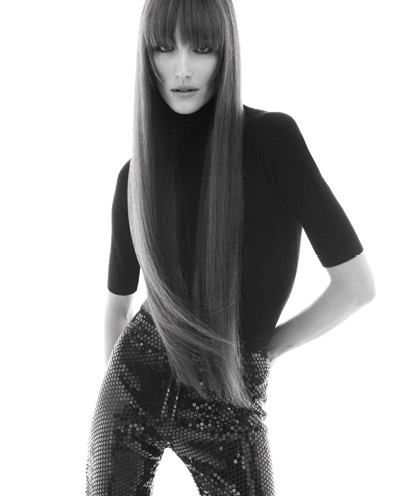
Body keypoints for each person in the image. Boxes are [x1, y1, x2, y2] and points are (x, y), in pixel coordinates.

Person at [85, 0, 376, 494]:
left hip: (231, 400)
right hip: (132, 390)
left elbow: (356, 286)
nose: (182, 69)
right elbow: (117, 308)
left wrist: (260, 356)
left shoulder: (271, 140)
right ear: (145, 56)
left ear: (227, 53)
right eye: (164, 47)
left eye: (202, 48)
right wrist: (122, 381)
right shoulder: (134, 177)